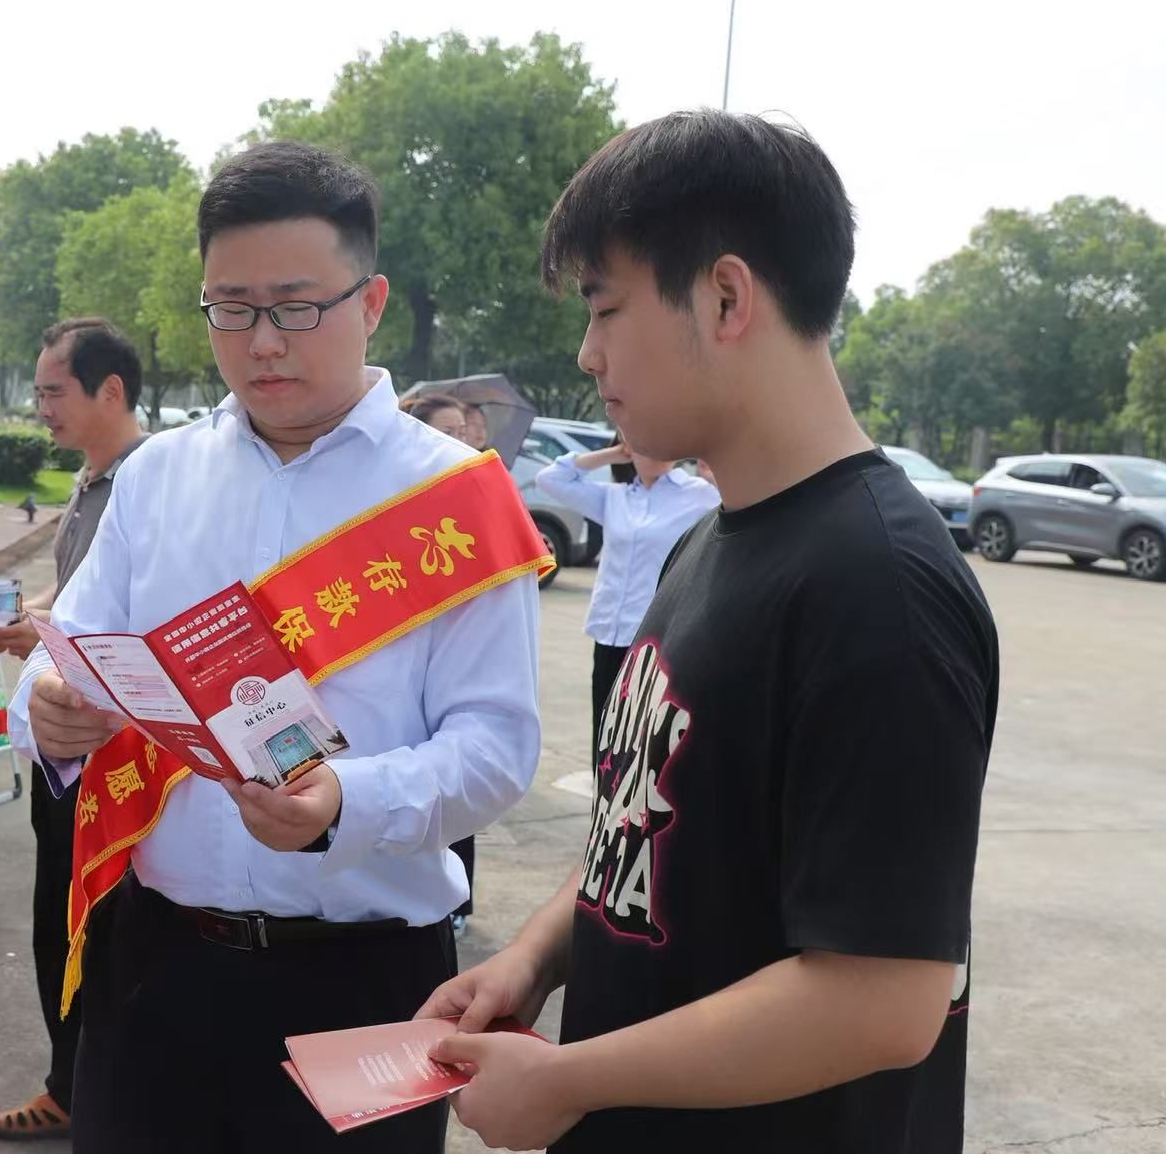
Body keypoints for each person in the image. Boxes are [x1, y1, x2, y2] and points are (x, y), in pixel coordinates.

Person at [421, 111, 999, 1154]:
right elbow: (644, 829)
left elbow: (883, 996)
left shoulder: (881, 590)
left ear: (726, 297)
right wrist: (534, 957)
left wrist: (568, 1079)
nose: (588, 352)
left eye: (606, 306)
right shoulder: (708, 543)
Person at [14, 141, 543, 1154]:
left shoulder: (455, 498)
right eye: (231, 308)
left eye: (296, 308)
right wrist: (47, 704)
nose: (262, 343)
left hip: (364, 979)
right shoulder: (159, 476)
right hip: (154, 963)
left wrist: (345, 801)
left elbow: (495, 749)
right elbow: (67, 643)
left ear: (370, 301)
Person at [0, 317, 147, 1143]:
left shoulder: (148, 488)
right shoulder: (92, 479)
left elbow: (131, 627)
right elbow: (80, 601)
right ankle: (75, 1081)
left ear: (109, 392)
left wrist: (42, 633)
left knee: (85, 926)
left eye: (53, 391)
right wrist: (34, 622)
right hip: (60, 740)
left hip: (105, 752)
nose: (40, 407)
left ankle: (81, 1089)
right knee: (60, 916)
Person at [534, 437, 719, 744]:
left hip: (658, 636)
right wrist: (614, 453)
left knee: (642, 738)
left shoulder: (698, 493)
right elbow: (550, 479)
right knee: (605, 728)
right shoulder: (615, 497)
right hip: (610, 631)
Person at [400, 393, 480, 936]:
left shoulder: (470, 487)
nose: (461, 439)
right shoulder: (398, 497)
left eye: (464, 429)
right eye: (448, 430)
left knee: (455, 806)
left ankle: (460, 906)